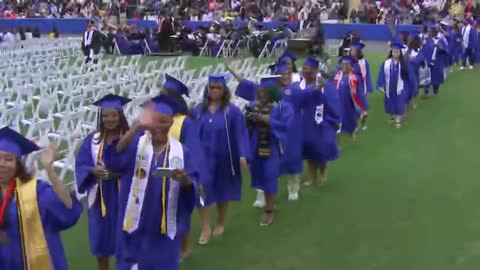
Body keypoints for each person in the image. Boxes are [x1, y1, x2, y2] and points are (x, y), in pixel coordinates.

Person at [104, 95, 199, 270]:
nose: (158, 127)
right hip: (133, 228)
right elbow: (113, 159)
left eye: (163, 122)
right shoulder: (135, 145)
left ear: (171, 123)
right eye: (154, 122)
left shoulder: (182, 152)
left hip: (162, 232)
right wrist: (135, 128)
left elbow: (192, 191)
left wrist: (184, 180)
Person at [0, 127, 82, 270]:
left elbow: (68, 209)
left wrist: (50, 171)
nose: (2, 164)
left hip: (36, 260)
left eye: (8, 159)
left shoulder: (36, 190)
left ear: (17, 164)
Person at [190, 74, 249, 245]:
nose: (214, 90)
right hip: (202, 159)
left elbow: (241, 134)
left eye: (218, 88)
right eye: (211, 87)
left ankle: (221, 223)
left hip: (225, 158)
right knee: (200, 192)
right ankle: (206, 227)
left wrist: (243, 155)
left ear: (224, 91)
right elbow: (190, 135)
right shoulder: (197, 111)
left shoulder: (232, 112)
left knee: (223, 191)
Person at [75, 94, 131, 270]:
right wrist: (93, 171)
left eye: (113, 115)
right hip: (99, 197)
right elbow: (82, 163)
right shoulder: (92, 140)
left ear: (120, 116)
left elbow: (139, 165)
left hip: (124, 195)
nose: (109, 119)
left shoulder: (130, 138)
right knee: (100, 241)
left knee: (127, 238)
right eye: (105, 115)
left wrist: (118, 174)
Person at [236, 75, 294, 225]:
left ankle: (269, 210)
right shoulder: (254, 104)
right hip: (256, 145)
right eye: (260, 90)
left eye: (264, 90)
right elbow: (245, 127)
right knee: (261, 175)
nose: (260, 92)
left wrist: (268, 120)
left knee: (270, 176)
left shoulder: (282, 107)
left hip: (273, 146)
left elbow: (287, 127)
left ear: (271, 91)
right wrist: (249, 118)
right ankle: (271, 204)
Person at [159, 74, 203, 261]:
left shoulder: (186, 122)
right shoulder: (161, 118)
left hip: (180, 172)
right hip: (159, 172)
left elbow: (193, 151)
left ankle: (184, 248)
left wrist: (191, 177)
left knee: (181, 212)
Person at [302, 77, 341, 187]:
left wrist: (333, 122)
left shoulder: (329, 89)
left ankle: (322, 173)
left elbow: (333, 107)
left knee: (322, 148)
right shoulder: (303, 86)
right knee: (309, 149)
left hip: (324, 122)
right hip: (308, 123)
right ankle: (311, 177)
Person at [333, 55, 368, 141]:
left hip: (348, 102)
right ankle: (336, 137)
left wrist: (363, 106)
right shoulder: (337, 75)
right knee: (336, 118)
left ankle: (352, 133)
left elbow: (359, 92)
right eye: (343, 64)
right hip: (337, 101)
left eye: (347, 64)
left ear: (351, 66)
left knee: (349, 118)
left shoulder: (354, 78)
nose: (344, 66)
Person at [377, 43, 410, 128]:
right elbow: (382, 74)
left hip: (399, 87)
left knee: (399, 102)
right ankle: (392, 116)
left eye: (397, 52)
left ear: (400, 53)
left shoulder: (403, 64)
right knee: (390, 102)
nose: (395, 53)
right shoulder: (386, 63)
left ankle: (398, 119)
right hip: (389, 86)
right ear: (391, 52)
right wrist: (381, 83)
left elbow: (406, 76)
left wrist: (406, 87)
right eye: (394, 52)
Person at [350, 42, 372, 131]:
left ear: (358, 51)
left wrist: (368, 88)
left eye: (353, 50)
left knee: (362, 105)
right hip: (351, 84)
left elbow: (367, 75)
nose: (351, 51)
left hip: (360, 86)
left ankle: (362, 124)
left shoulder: (363, 62)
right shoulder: (349, 61)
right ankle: (354, 124)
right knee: (352, 105)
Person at [423, 24, 448, 97]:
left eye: (430, 32)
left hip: (437, 62)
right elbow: (422, 49)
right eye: (428, 31)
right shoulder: (426, 40)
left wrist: (441, 48)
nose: (428, 33)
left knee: (436, 78)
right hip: (427, 62)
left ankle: (435, 91)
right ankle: (426, 92)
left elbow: (446, 50)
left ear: (435, 33)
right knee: (427, 77)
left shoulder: (441, 40)